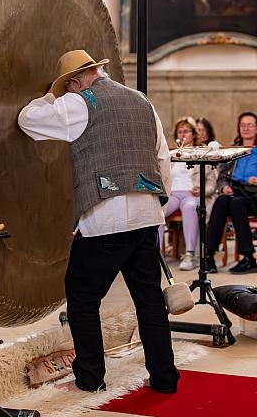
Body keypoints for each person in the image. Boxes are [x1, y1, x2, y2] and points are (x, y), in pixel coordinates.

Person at [18, 50, 179, 395]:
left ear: (75, 82)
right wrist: (155, 206)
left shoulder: (79, 102)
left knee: (82, 297)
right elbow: (162, 158)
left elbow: (28, 120)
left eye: (67, 87)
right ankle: (165, 378)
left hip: (107, 218)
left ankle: (90, 379)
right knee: (149, 299)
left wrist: (49, 97)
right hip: (147, 214)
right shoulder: (142, 101)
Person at [206, 111, 257, 274]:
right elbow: (221, 177)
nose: (246, 128)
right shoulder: (232, 151)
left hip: (254, 196)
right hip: (235, 192)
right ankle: (209, 256)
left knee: (236, 202)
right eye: (243, 125)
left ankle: (248, 258)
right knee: (222, 200)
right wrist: (223, 187)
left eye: (250, 125)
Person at [163, 117, 217, 270]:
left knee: (189, 206)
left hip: (192, 195)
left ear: (193, 134)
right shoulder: (171, 155)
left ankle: (189, 254)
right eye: (179, 131)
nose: (182, 134)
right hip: (173, 194)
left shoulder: (202, 153)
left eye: (186, 131)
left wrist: (202, 190)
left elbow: (212, 185)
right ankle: (155, 254)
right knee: (158, 210)